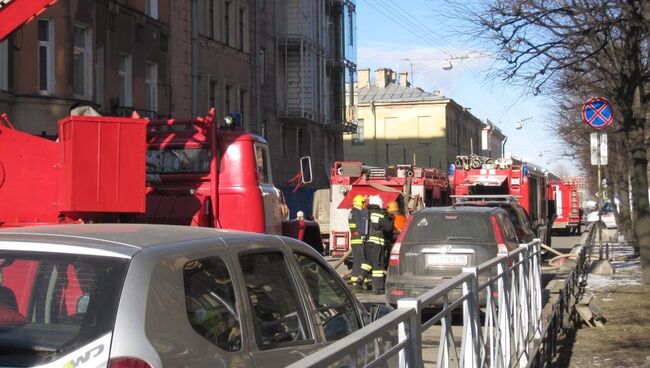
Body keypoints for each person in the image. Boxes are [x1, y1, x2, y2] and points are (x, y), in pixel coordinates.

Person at [358, 195, 393, 294]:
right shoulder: (380, 214)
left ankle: (360, 277)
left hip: (366, 242)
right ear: (378, 203)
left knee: (367, 262)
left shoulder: (366, 213)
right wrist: (390, 218)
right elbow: (388, 228)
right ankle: (377, 287)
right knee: (378, 265)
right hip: (377, 243)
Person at [348, 194, 368, 287]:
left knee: (356, 260)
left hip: (354, 240)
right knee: (362, 259)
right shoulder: (357, 213)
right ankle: (362, 278)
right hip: (359, 240)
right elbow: (360, 227)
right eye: (363, 202)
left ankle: (354, 278)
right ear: (360, 202)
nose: (364, 204)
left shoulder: (352, 212)